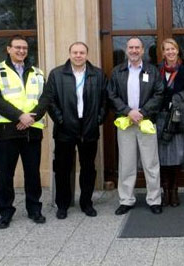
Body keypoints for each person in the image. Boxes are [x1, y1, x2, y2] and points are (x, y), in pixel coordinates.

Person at [0, 35, 49, 229]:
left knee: (33, 173)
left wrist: (31, 117)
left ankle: (34, 209)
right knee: (6, 174)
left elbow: (45, 99)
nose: (21, 51)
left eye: (24, 48)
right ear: (8, 49)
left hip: (32, 130)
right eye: (17, 47)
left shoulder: (38, 73)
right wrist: (19, 116)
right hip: (7, 130)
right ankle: (6, 212)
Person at [45, 42, 107, 219]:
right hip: (65, 128)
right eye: (75, 52)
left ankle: (86, 203)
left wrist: (97, 120)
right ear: (69, 53)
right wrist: (61, 120)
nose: (78, 55)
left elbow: (104, 101)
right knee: (63, 168)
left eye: (82, 52)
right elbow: (50, 101)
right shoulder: (57, 74)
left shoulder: (97, 74)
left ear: (87, 54)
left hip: (89, 128)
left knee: (88, 168)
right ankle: (62, 204)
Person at [108, 36, 164, 215]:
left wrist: (143, 112)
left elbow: (159, 94)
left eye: (137, 47)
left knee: (151, 163)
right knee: (127, 164)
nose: (134, 51)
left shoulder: (152, 71)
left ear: (142, 50)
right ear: (126, 50)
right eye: (131, 47)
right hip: (125, 123)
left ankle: (154, 200)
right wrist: (127, 111)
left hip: (146, 122)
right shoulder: (118, 72)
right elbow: (111, 95)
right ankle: (126, 200)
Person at [156, 38, 184, 207]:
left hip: (179, 120)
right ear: (163, 52)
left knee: (177, 156)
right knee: (162, 157)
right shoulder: (155, 71)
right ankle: (165, 190)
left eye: (173, 49)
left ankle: (175, 191)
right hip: (160, 119)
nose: (170, 52)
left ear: (178, 51)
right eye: (167, 49)